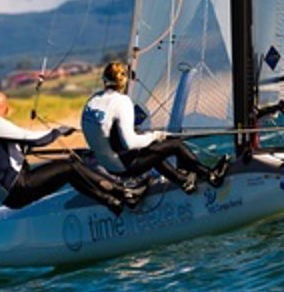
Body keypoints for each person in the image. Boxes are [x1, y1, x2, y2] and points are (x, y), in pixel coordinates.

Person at [0, 90, 143, 216]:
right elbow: (37, 139)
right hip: (19, 187)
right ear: (6, 109)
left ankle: (112, 202)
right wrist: (58, 132)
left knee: (70, 169)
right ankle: (123, 192)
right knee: (70, 166)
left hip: (7, 196)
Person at [81, 61, 229, 193]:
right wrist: (155, 135)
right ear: (124, 82)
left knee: (153, 150)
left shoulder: (92, 101)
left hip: (107, 166)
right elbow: (130, 143)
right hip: (124, 166)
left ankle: (183, 181)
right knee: (175, 145)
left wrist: (145, 139)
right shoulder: (121, 101)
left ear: (104, 80)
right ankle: (211, 175)